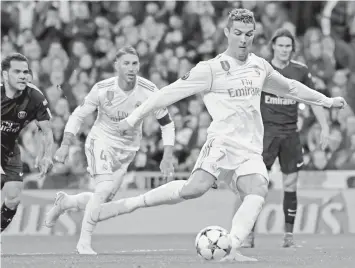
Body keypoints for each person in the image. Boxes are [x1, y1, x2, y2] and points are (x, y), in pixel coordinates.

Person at [89, 9, 346, 262]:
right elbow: (166, 93)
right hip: (221, 144)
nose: (243, 39)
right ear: (226, 32)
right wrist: (133, 118)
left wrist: (326, 100)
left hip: (250, 150)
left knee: (258, 188)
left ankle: (230, 247)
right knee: (193, 190)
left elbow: (291, 88)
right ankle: (130, 204)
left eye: (249, 34)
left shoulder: (259, 66)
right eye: (238, 33)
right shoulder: (211, 69)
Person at [44, 46, 175, 255]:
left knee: (101, 200)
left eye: (135, 63)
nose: (131, 68)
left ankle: (66, 202)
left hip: (127, 152)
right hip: (101, 141)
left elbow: (167, 123)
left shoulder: (149, 90)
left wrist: (168, 155)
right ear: (117, 66)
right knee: (103, 189)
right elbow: (78, 115)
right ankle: (84, 242)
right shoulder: (103, 89)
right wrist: (65, 144)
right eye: (126, 63)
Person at [241, 28, 331, 249]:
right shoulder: (260, 68)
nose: (284, 50)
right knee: (256, 185)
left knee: (290, 184)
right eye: (280, 45)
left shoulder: (300, 71)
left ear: (293, 49)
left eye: (288, 46)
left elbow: (314, 100)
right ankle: (248, 235)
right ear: (273, 46)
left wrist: (325, 126)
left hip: (290, 134)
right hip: (265, 134)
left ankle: (288, 237)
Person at [1, 53, 54, 232]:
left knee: (13, 197)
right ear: (5, 75)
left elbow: (46, 130)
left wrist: (46, 155)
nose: (23, 75)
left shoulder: (35, 97)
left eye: (25, 71)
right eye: (17, 72)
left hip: (9, 148)